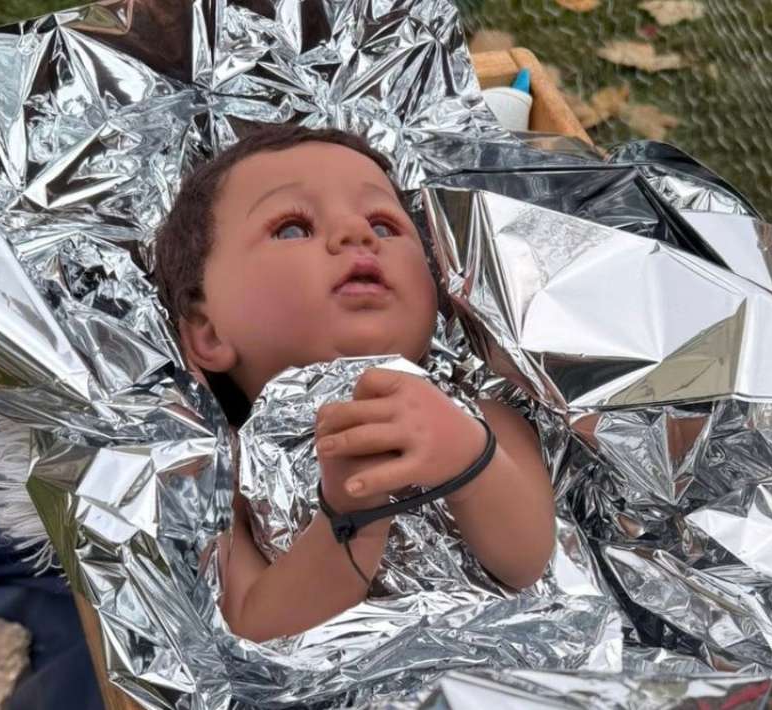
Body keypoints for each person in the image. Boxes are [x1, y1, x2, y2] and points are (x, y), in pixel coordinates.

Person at [151, 124, 556, 643]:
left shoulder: (481, 417)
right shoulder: (221, 466)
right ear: (207, 333)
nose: (356, 234)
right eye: (294, 228)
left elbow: (526, 561)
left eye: (385, 225)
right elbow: (253, 623)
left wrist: (466, 455)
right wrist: (351, 519)